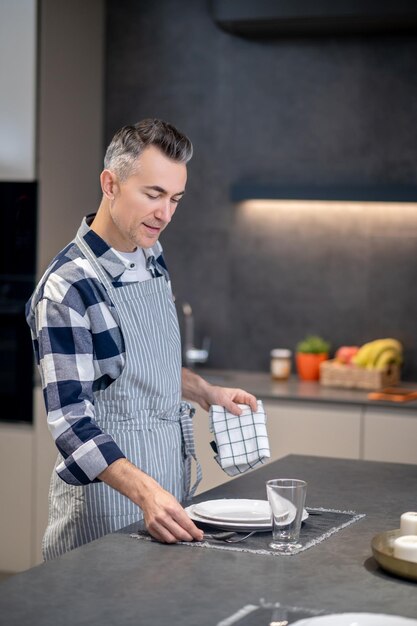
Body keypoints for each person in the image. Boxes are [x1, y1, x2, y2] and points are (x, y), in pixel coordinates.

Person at [26, 119, 257, 560]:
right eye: (153, 195)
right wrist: (145, 491)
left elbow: (140, 368)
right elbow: (71, 423)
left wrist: (206, 391)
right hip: (106, 511)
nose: (165, 214)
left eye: (175, 199)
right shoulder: (68, 287)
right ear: (110, 184)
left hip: (167, 496)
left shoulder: (151, 256)